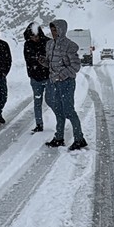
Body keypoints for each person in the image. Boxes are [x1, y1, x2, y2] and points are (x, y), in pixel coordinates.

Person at [45, 19, 87, 150]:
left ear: (62, 30)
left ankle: (79, 139)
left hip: (66, 83)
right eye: (52, 30)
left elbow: (75, 66)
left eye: (55, 30)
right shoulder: (50, 44)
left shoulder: (70, 45)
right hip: (54, 82)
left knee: (68, 111)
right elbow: (50, 63)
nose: (53, 32)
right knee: (58, 111)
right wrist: (44, 63)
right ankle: (59, 137)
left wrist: (62, 74)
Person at [22, 23, 50, 133]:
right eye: (32, 36)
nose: (34, 38)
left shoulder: (48, 42)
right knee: (37, 102)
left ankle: (59, 121)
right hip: (35, 77)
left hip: (48, 77)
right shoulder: (27, 44)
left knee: (51, 101)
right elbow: (27, 59)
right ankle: (39, 124)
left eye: (36, 36)